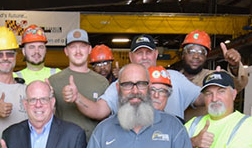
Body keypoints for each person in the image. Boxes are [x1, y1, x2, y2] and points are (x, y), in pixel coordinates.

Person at [66, 34, 202, 122]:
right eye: (139, 53)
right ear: (131, 57)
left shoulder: (176, 79)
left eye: (148, 53)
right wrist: (78, 97)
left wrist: (218, 83)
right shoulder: (122, 84)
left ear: (155, 54)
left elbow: (203, 99)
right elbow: (98, 110)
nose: (144, 57)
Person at [48, 28, 109, 142]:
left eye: (82, 46)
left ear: (89, 49)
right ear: (66, 51)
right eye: (73, 47)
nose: (78, 51)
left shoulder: (102, 82)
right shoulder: (54, 81)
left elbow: (106, 120)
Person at [179, 30, 249, 121]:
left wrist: (234, 66)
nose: (196, 56)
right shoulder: (172, 80)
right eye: (191, 51)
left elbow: (238, 84)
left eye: (201, 52)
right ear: (183, 54)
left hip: (207, 132)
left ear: (206, 56)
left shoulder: (213, 76)